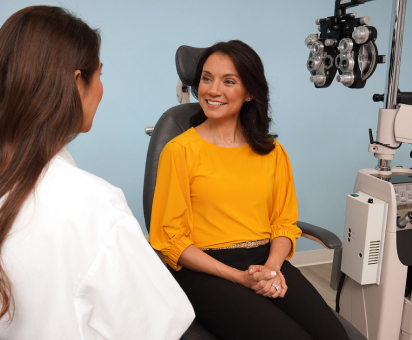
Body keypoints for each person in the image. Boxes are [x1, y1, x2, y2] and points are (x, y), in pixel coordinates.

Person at [0, 6, 194, 340]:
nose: (101, 88)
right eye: (100, 74)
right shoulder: (94, 209)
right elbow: (162, 329)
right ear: (77, 83)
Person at [149, 40, 350, 340]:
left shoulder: (272, 152)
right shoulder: (179, 151)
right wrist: (241, 278)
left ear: (251, 92)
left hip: (264, 259)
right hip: (204, 269)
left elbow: (284, 222)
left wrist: (270, 268)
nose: (212, 90)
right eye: (206, 78)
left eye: (229, 81)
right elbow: (170, 240)